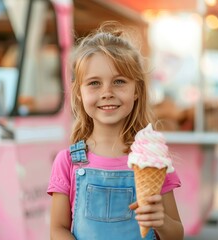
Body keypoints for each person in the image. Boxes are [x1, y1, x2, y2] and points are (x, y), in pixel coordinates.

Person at [47, 22, 184, 240]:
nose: (107, 92)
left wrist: (162, 222)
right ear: (79, 93)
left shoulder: (153, 160)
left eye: (119, 81)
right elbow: (58, 229)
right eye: (94, 83)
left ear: (137, 90)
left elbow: (176, 235)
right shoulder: (68, 161)